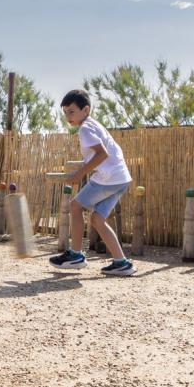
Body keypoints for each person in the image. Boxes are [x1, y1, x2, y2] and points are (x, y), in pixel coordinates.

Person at [49, 90, 137, 276]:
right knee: (97, 219)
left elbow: (102, 154)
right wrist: (83, 168)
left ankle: (75, 256)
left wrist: (79, 174)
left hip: (108, 178)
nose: (68, 116)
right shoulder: (94, 125)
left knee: (75, 206)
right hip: (121, 179)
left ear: (86, 109)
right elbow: (104, 154)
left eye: (71, 111)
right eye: (65, 112)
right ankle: (122, 262)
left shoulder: (85, 129)